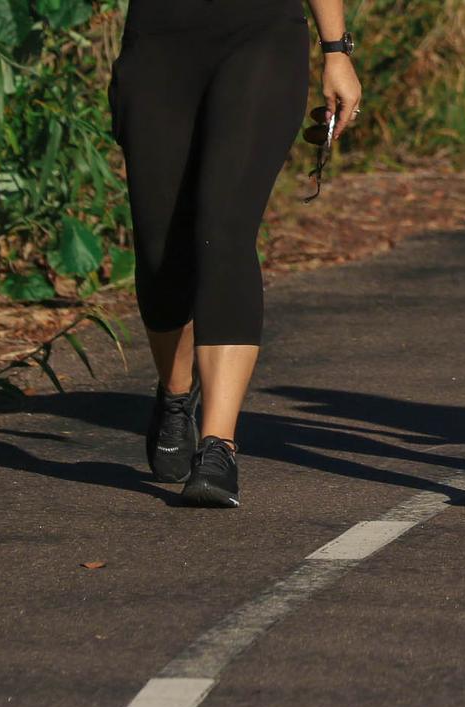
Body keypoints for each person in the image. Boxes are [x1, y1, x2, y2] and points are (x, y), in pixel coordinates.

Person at [109, 0, 361, 507]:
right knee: (160, 253)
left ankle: (217, 446)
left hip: (262, 34)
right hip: (159, 37)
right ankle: (176, 394)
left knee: (223, 231)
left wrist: (335, 50)